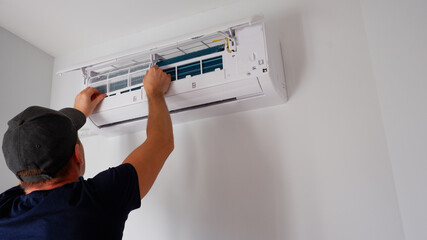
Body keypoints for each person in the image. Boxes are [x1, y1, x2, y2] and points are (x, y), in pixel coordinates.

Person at [0, 66, 174, 239]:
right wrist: (154, 92)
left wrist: (77, 116)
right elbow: (160, 141)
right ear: (77, 155)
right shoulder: (97, 200)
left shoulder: (4, 211)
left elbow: (31, 170)